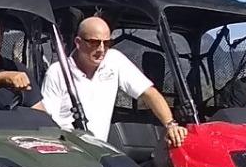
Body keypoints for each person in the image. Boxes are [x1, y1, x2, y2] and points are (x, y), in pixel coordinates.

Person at [39, 15, 187, 147]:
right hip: (67, 151)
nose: (102, 49)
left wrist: (171, 125)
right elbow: (45, 121)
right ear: (78, 42)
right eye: (94, 42)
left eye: (107, 43)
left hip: (99, 152)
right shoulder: (57, 72)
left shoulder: (114, 60)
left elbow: (149, 93)